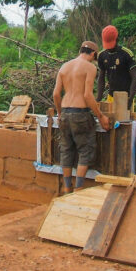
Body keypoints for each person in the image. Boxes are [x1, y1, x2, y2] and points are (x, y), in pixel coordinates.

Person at [53, 41, 111, 194]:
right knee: (85, 151)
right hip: (80, 114)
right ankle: (79, 188)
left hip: (65, 113)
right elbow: (87, 95)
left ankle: (67, 188)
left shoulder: (64, 67)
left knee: (66, 151)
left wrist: (59, 113)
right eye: (94, 56)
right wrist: (101, 116)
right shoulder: (90, 68)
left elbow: (56, 94)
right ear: (92, 53)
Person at [96, 25, 136, 109]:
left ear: (117, 39)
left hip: (126, 97)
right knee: (111, 121)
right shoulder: (102, 55)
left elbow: (135, 78)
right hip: (111, 96)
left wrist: (130, 98)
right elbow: (101, 78)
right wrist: (98, 99)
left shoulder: (126, 54)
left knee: (125, 121)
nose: (109, 48)